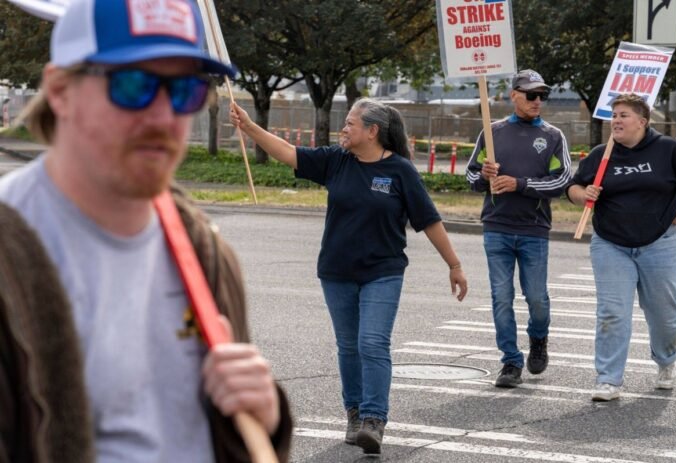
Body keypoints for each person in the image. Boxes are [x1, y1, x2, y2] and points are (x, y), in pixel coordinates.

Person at [0, 0, 292, 461]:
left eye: (184, 91)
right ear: (60, 90)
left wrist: (266, 419)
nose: (162, 117)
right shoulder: (10, 257)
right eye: (133, 85)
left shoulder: (204, 250)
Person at [230, 97, 468, 455]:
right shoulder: (335, 160)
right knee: (349, 346)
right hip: (337, 272)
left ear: (372, 132)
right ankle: (354, 412)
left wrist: (454, 265)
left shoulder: (401, 171)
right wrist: (248, 126)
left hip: (383, 273)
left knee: (372, 342)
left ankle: (374, 419)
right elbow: (287, 152)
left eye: (351, 124)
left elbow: (429, 221)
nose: (344, 128)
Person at [566, 93, 676, 401]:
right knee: (612, 312)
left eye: (623, 115)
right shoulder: (602, 154)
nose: (616, 121)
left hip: (660, 244)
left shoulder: (669, 150)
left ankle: (666, 361)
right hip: (611, 243)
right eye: (614, 116)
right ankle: (608, 379)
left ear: (642, 121)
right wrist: (585, 195)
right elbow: (571, 187)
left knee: (664, 314)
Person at [465, 69, 571, 388]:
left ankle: (538, 338)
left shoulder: (553, 136)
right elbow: (471, 178)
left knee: (536, 297)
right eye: (531, 95)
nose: (538, 101)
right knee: (501, 296)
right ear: (514, 95)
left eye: (542, 95)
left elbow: (563, 180)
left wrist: (520, 184)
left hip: (534, 228)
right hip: (496, 227)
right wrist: (485, 176)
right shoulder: (491, 132)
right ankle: (510, 361)